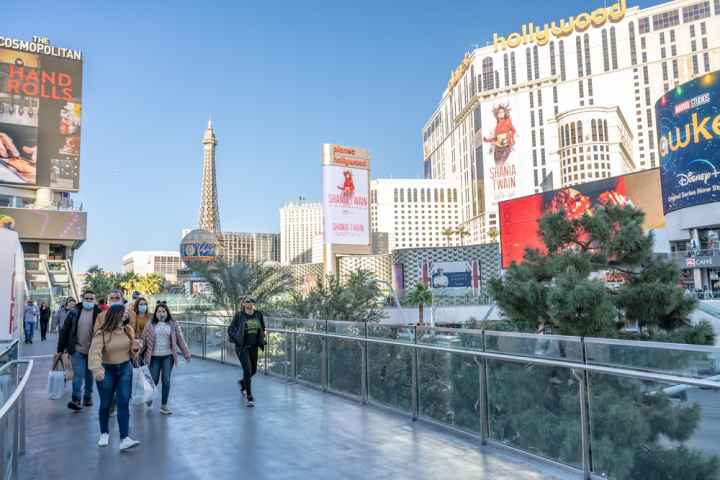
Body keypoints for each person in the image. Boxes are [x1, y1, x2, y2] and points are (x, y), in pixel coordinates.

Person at [88, 305, 141, 451]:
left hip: (125, 368)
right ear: (114, 315)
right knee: (106, 403)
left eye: (126, 313)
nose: (125, 315)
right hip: (107, 370)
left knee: (123, 402)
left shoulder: (128, 330)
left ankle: (125, 438)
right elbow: (95, 353)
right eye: (122, 313)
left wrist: (136, 349)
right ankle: (104, 433)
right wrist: (97, 370)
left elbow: (133, 354)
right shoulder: (102, 333)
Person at [140, 304, 190, 415]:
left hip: (168, 356)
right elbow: (143, 340)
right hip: (154, 357)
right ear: (155, 313)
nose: (161, 313)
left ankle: (164, 406)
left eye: (163, 311)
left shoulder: (172, 324)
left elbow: (180, 339)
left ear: (167, 312)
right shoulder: (150, 324)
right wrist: (137, 353)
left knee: (166, 380)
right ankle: (150, 398)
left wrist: (186, 352)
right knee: (154, 380)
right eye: (159, 311)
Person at [58, 290, 102, 411]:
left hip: (92, 351)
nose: (88, 301)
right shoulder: (74, 312)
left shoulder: (99, 314)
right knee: (78, 374)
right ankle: (76, 399)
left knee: (89, 375)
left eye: (91, 299)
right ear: (82, 299)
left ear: (95, 300)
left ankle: (88, 397)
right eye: (86, 299)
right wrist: (60, 349)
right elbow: (64, 330)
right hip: (76, 349)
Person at [228, 296, 265, 407]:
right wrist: (237, 339)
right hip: (242, 348)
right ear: (243, 304)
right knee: (247, 370)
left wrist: (262, 336)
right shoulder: (239, 316)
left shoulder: (258, 314)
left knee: (253, 370)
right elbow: (230, 329)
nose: (250, 303)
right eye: (248, 301)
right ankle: (249, 396)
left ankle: (242, 383)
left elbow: (262, 327)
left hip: (254, 347)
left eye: (252, 301)